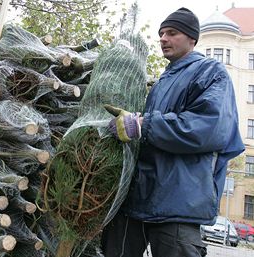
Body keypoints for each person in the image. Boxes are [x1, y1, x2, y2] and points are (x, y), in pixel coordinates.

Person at [100, 7, 245, 257]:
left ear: (192, 38)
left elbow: (208, 128)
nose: (163, 38)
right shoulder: (161, 82)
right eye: (161, 33)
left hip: (179, 203)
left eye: (172, 33)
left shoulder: (211, 72)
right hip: (138, 201)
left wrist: (144, 125)